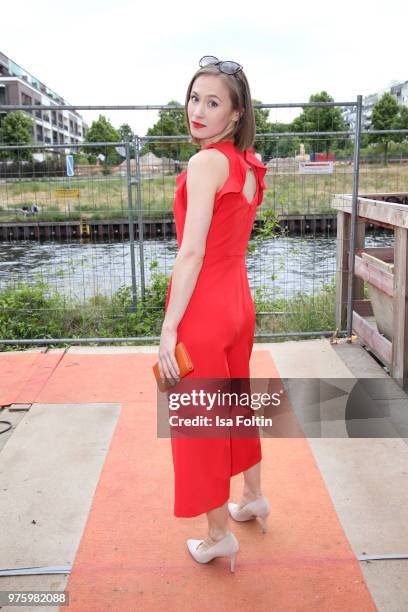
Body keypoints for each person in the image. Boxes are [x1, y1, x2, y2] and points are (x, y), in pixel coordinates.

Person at [158, 55, 271, 573]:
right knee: (234, 403)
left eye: (212, 101)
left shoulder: (205, 163)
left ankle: (217, 535)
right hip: (239, 304)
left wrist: (167, 327)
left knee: (200, 421)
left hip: (205, 306)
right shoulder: (250, 163)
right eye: (193, 97)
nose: (197, 110)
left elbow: (193, 251)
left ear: (235, 112)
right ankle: (251, 498)